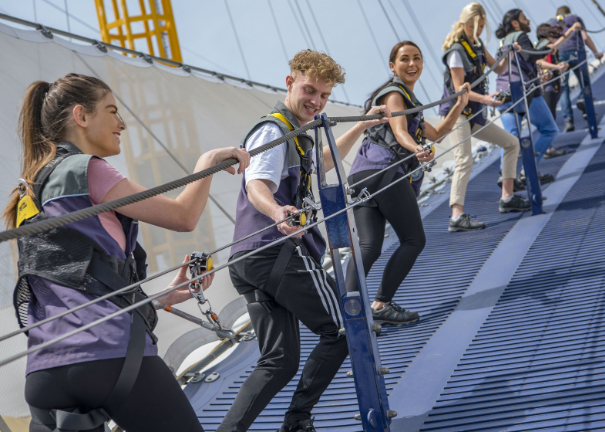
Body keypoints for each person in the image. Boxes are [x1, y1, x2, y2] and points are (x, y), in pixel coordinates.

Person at [4, 73, 249, 432]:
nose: (122, 123)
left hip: (45, 371)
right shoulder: (88, 169)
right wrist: (208, 161)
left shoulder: (29, 190)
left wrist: (164, 296)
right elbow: (183, 217)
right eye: (112, 111)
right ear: (81, 116)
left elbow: (75, 279)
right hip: (107, 355)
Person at [220, 50, 391, 432]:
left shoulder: (296, 135)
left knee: (278, 361)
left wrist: (361, 124)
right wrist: (277, 211)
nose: (316, 101)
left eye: (325, 96)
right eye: (309, 90)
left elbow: (325, 160)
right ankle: (297, 421)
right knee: (346, 326)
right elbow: (257, 183)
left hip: (249, 258)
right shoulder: (274, 131)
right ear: (289, 82)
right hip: (274, 250)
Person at [343, 40, 469, 326]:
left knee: (369, 246)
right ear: (393, 66)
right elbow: (400, 131)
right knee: (414, 240)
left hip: (362, 173)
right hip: (386, 171)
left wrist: (459, 104)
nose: (412, 64)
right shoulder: (394, 95)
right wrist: (417, 150)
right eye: (404, 59)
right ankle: (381, 304)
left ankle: (352, 313)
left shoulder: (410, 103)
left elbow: (436, 132)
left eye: (417, 58)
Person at [440, 2, 531, 234]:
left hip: (476, 113)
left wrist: (507, 51)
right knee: (464, 160)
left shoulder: (478, 45)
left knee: (511, 143)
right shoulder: (456, 52)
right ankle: (456, 216)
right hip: (458, 114)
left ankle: (507, 197)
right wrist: (487, 100)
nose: (477, 31)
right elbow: (461, 91)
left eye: (480, 26)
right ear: (464, 24)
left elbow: (499, 69)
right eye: (472, 26)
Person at [495, 9, 563, 185]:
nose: (529, 22)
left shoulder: (502, 42)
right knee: (549, 129)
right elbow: (528, 55)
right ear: (516, 23)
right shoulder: (520, 35)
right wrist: (547, 48)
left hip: (503, 91)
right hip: (524, 90)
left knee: (511, 135)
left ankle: (505, 176)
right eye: (525, 19)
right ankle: (528, 171)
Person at [550, 5, 604, 132]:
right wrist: (596, 53)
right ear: (569, 12)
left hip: (561, 56)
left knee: (564, 89)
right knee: (584, 82)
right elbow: (585, 37)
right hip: (577, 52)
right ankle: (582, 98)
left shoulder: (552, 23)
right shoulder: (575, 19)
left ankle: (568, 120)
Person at [537, 23, 571, 157]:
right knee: (549, 118)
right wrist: (556, 67)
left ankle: (547, 147)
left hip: (551, 85)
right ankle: (547, 149)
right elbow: (539, 62)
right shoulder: (544, 45)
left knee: (550, 117)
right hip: (548, 87)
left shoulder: (545, 45)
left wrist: (557, 66)